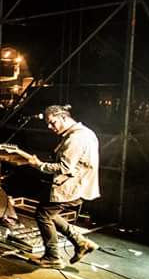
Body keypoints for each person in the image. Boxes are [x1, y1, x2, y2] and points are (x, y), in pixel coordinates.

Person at [23, 105, 100, 266]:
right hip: (80, 185)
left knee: (43, 215)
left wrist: (39, 165)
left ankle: (53, 257)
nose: (51, 127)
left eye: (53, 122)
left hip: (73, 187)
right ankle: (80, 242)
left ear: (64, 117)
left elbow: (65, 168)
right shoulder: (83, 133)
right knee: (48, 214)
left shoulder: (76, 138)